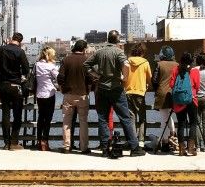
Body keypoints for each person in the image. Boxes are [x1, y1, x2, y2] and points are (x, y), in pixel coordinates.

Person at [84, 29, 145, 157]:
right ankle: (134, 147)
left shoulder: (99, 52)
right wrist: (125, 78)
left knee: (103, 118)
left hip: (101, 88)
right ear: (117, 40)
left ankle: (105, 147)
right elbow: (127, 65)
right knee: (125, 118)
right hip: (116, 88)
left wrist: (96, 75)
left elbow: (86, 65)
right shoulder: (118, 52)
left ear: (108, 38)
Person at [0, 32, 30, 150]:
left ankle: (6, 142)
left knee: (5, 114)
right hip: (16, 85)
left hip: (4, 84)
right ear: (20, 41)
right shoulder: (20, 52)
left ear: (11, 39)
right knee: (17, 115)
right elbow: (26, 69)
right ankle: (14, 141)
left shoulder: (1, 49)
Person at [58, 39, 91, 153]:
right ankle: (84, 147)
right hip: (82, 94)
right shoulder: (87, 60)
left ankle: (67, 146)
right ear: (84, 49)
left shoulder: (66, 60)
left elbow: (60, 77)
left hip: (68, 94)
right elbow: (91, 78)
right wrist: (89, 89)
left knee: (66, 121)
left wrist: (62, 89)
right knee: (83, 122)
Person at [169, 52, 200, 156]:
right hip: (192, 99)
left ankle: (182, 149)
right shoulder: (194, 71)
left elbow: (172, 85)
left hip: (179, 101)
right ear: (191, 62)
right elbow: (197, 86)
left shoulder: (175, 70)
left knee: (181, 124)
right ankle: (191, 147)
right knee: (193, 123)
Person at [151, 45, 177, 152]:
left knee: (163, 119)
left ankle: (165, 142)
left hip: (162, 94)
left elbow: (154, 80)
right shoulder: (177, 65)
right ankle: (173, 135)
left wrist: (156, 90)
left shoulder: (159, 65)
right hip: (175, 94)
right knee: (170, 116)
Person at [125, 44, 152, 149]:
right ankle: (141, 141)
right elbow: (149, 79)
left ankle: (133, 140)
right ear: (142, 52)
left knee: (131, 118)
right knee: (142, 118)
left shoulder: (127, 62)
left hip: (128, 92)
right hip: (140, 93)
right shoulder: (145, 63)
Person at [34, 46, 59, 151]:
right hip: (49, 94)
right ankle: (45, 141)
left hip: (39, 94)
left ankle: (38, 141)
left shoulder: (36, 65)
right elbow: (58, 77)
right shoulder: (51, 66)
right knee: (48, 119)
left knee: (40, 118)